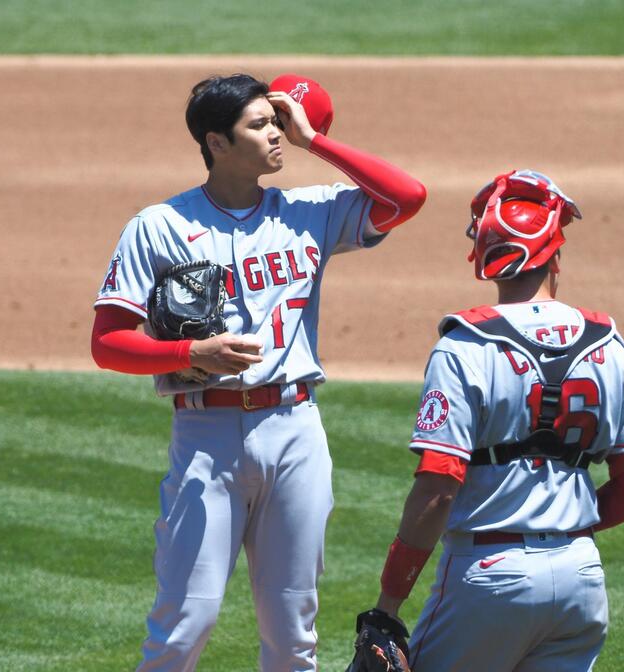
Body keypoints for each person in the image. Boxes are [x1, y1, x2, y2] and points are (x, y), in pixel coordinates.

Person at [90, 73, 426, 672]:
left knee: (294, 634)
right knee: (183, 625)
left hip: (295, 429)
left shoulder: (310, 210)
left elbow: (408, 197)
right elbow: (108, 343)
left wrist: (313, 140)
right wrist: (191, 354)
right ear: (216, 143)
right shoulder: (160, 225)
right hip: (206, 439)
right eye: (260, 125)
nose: (276, 133)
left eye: (276, 122)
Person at [370, 169, 624, 671]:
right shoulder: (610, 344)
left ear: (484, 257)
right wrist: (561, 536)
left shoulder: (465, 346)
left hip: (489, 579)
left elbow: (438, 489)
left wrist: (389, 604)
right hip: (581, 576)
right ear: (556, 254)